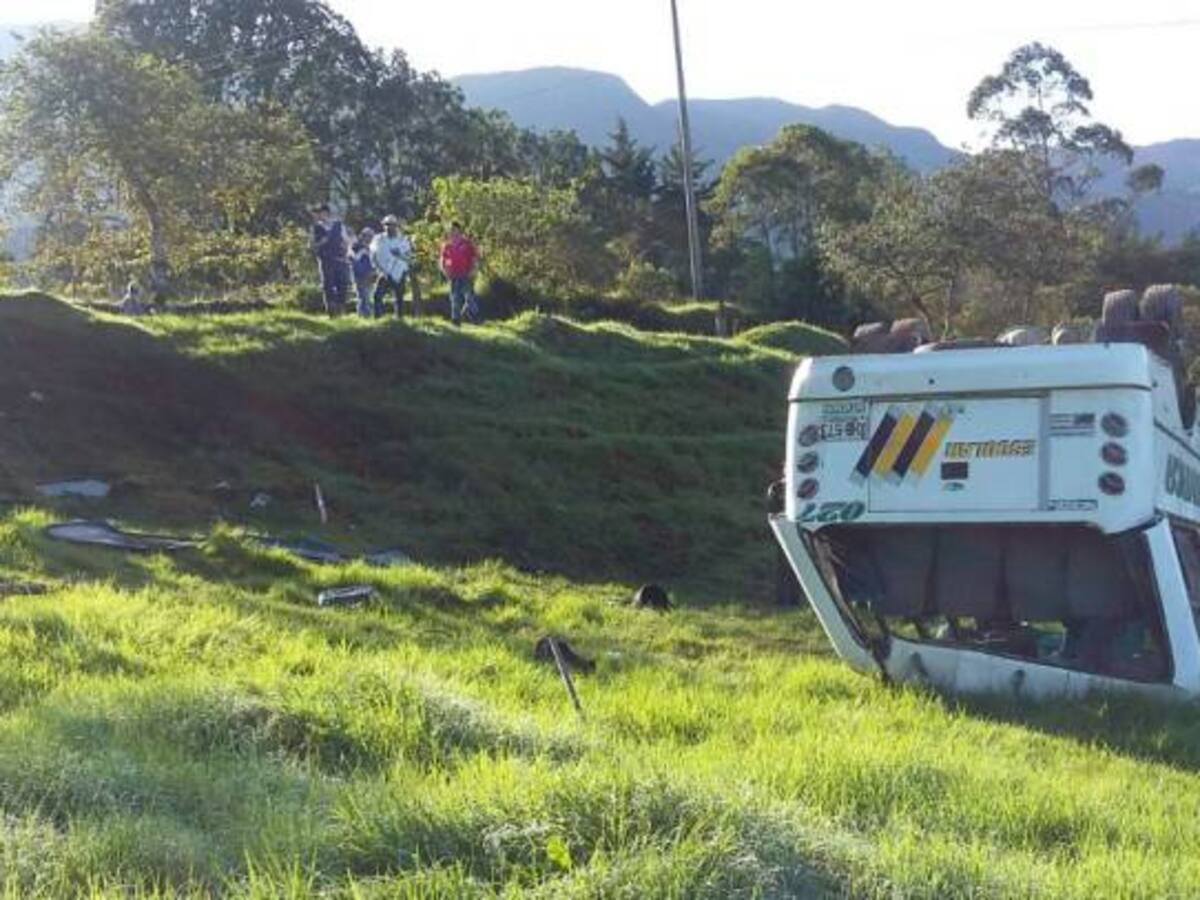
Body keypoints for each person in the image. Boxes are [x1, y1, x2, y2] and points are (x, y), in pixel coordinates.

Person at [310, 203, 350, 317]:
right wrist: (323, 241)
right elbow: (313, 245)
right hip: (325, 259)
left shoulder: (338, 225)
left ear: (326, 213)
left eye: (319, 213)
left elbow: (346, 240)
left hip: (339, 258)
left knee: (342, 284)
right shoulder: (316, 228)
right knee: (328, 285)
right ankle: (332, 312)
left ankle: (341, 310)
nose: (317, 216)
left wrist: (345, 252)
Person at [370, 214, 412, 319]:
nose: (389, 227)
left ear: (396, 226)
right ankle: (378, 319)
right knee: (377, 296)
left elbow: (408, 257)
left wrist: (399, 255)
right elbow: (373, 255)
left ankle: (399, 320)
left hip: (398, 273)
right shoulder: (378, 239)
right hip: (384, 273)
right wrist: (379, 269)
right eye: (387, 225)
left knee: (399, 298)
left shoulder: (403, 239)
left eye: (392, 225)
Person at [439, 222, 481, 326]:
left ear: (459, 230)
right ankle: (455, 320)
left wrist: (474, 269)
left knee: (469, 297)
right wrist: (445, 270)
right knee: (454, 298)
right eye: (451, 230)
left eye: (454, 229)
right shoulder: (447, 246)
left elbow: (474, 258)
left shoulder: (467, 243)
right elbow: (443, 260)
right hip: (453, 275)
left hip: (466, 274)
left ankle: (475, 317)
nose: (452, 232)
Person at [349, 227, 375, 318]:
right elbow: (352, 258)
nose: (370, 238)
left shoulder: (372, 247)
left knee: (368, 295)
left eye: (371, 237)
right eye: (368, 236)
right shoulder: (356, 246)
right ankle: (362, 315)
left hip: (370, 274)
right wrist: (362, 252)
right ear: (363, 236)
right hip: (359, 274)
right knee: (362, 296)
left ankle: (367, 315)